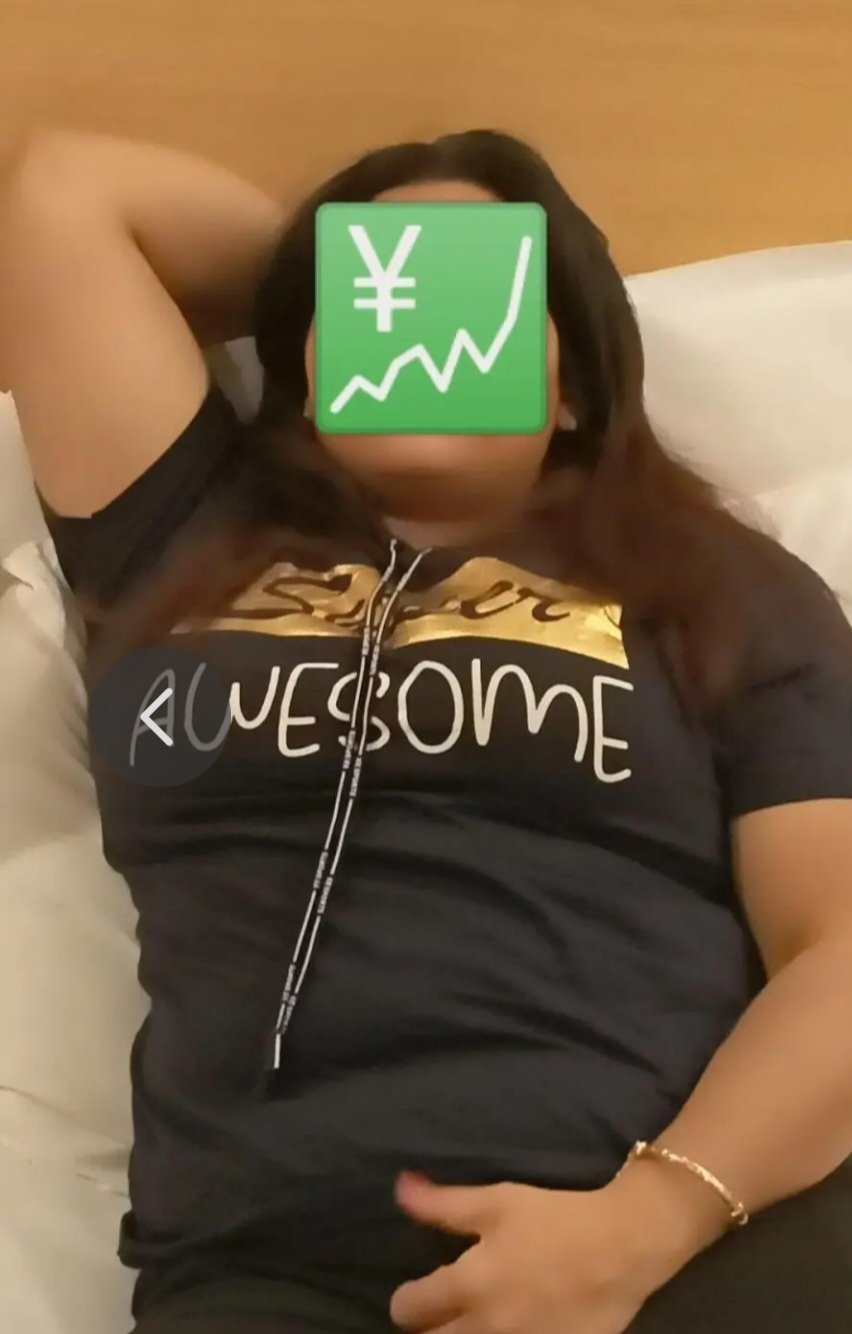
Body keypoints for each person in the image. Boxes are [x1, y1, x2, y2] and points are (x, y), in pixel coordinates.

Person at [1, 126, 851, 1334]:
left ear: (574, 387)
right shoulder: (178, 539)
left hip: (678, 1232)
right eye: (369, 295)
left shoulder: (722, 588)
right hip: (269, 1261)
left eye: (484, 292)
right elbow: (67, 194)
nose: (419, 320)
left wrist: (648, 1220)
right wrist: (367, 290)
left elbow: (838, 944)